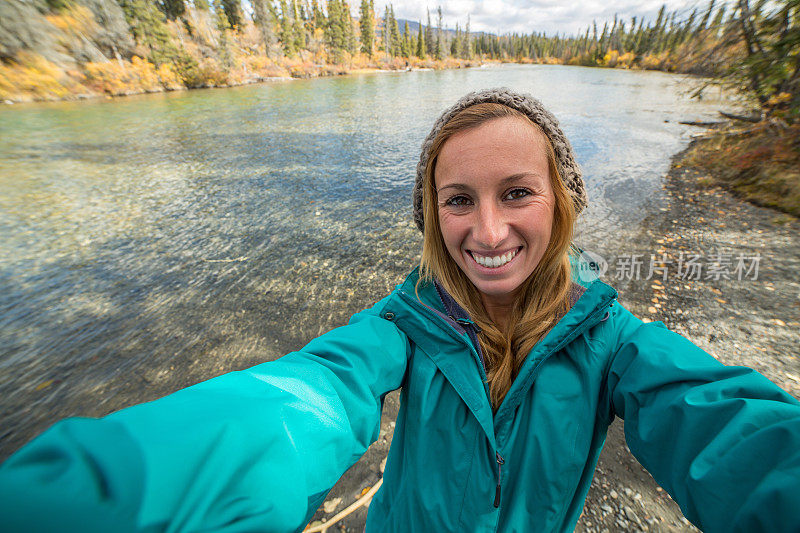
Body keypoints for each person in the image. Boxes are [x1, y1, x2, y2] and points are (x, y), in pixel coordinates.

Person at [1, 88, 799, 532]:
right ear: (431, 214)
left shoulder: (615, 343)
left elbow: (726, 425)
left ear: (562, 201)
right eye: (458, 201)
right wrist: (126, 491)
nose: (486, 231)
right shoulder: (401, 326)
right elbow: (306, 395)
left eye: (516, 193)